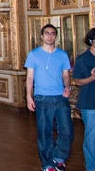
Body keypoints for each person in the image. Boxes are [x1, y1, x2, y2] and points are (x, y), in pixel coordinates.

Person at [25, 24, 73, 171]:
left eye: (53, 33)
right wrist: (28, 96)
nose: (50, 36)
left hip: (60, 97)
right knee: (44, 131)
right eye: (47, 33)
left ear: (55, 36)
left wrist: (67, 86)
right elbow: (30, 77)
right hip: (42, 97)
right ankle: (47, 163)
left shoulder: (62, 55)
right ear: (42, 36)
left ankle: (58, 157)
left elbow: (66, 75)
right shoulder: (34, 54)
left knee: (66, 129)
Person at [74, 28, 95, 171]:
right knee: (92, 138)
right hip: (90, 102)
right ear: (92, 41)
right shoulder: (83, 59)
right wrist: (93, 77)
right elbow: (78, 81)